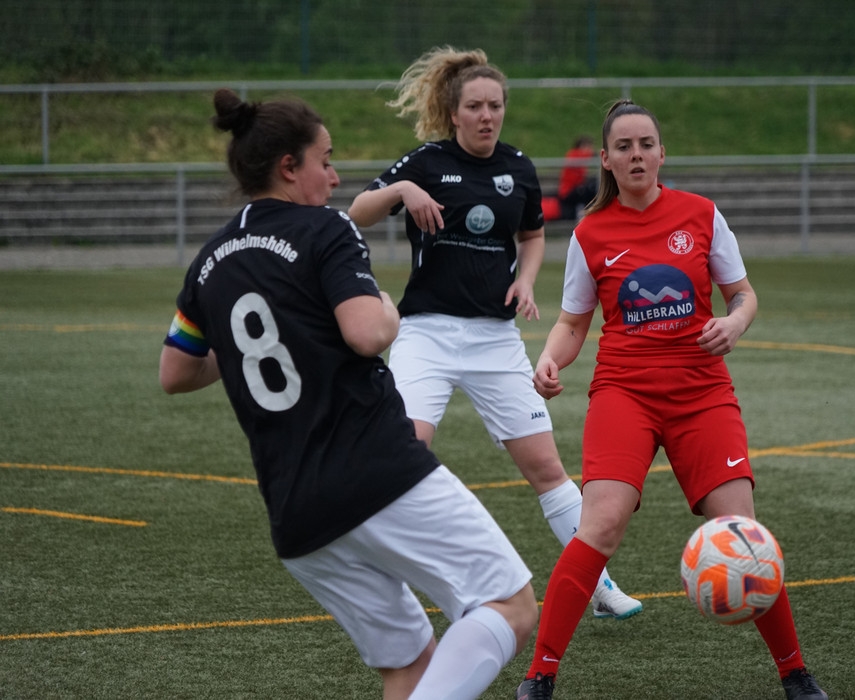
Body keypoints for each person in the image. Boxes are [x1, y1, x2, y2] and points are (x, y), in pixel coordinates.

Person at [158, 87, 538, 700]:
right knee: (510, 605)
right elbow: (367, 334)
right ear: (289, 167)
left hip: (294, 509)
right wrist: (388, 307)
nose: (335, 178)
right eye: (326, 161)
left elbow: (176, 370)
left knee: (410, 665)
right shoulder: (325, 228)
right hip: (375, 470)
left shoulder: (209, 261)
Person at [514, 100, 827, 700]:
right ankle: (540, 677)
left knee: (742, 531)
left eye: (646, 144)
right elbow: (573, 323)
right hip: (623, 393)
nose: (636, 155)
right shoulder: (589, 232)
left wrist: (734, 324)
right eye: (624, 147)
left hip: (702, 393)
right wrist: (550, 358)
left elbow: (743, 295)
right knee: (600, 524)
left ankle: (796, 674)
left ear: (662, 153)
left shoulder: (702, 215)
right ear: (605, 160)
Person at [348, 46, 642, 621]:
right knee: (405, 452)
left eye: (496, 106)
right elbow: (358, 210)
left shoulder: (519, 168)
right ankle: (390, 582)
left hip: (495, 339)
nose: (487, 116)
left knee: (548, 470)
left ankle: (599, 585)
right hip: (427, 333)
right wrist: (402, 191)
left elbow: (531, 236)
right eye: (475, 107)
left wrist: (526, 280)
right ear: (453, 113)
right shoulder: (427, 161)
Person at [541, 135, 598, 222]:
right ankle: (583, 213)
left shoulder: (579, 156)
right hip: (568, 191)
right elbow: (587, 154)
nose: (590, 149)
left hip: (575, 188)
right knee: (589, 190)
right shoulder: (574, 154)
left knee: (592, 187)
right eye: (589, 147)